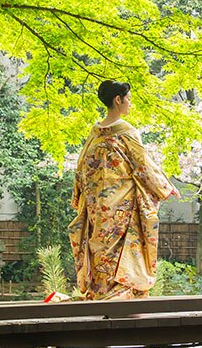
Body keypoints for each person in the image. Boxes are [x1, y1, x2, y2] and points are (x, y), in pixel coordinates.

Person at [68, 80, 178, 300]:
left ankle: (101, 293)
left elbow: (81, 168)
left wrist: (81, 196)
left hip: (97, 207)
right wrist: (164, 187)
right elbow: (142, 165)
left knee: (100, 246)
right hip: (121, 207)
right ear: (117, 100)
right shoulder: (126, 132)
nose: (130, 103)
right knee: (120, 249)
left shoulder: (95, 134)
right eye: (127, 99)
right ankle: (121, 296)